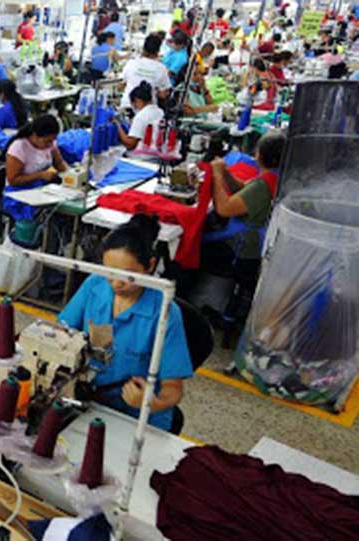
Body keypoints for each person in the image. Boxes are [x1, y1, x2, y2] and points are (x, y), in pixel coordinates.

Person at [59, 214, 193, 432]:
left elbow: (174, 388)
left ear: (150, 265)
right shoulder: (95, 285)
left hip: (137, 416)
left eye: (128, 275)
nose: (116, 283)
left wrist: (152, 403)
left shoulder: (164, 312)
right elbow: (61, 332)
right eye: (110, 273)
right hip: (88, 400)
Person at [203, 133, 285, 265]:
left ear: (259, 155)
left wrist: (217, 175)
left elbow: (224, 209)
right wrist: (225, 172)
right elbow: (242, 188)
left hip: (243, 250)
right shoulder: (274, 177)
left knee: (197, 243)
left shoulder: (262, 186)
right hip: (255, 242)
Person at [5, 114, 68, 190]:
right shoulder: (19, 147)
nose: (51, 144)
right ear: (35, 135)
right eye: (47, 141)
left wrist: (69, 174)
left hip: (41, 187)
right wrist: (40, 175)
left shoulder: (50, 143)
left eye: (53, 140)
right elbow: (13, 180)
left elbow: (59, 163)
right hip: (18, 191)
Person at [120, 34, 172, 110]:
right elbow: (163, 94)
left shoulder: (131, 63)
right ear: (158, 51)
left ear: (143, 48)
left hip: (127, 105)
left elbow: (121, 85)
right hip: (147, 109)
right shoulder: (161, 68)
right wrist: (155, 91)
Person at [117, 82, 164, 150]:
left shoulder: (141, 116)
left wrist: (118, 126)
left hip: (144, 153)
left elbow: (130, 144)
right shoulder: (160, 112)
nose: (134, 107)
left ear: (137, 100)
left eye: (133, 104)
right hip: (158, 150)